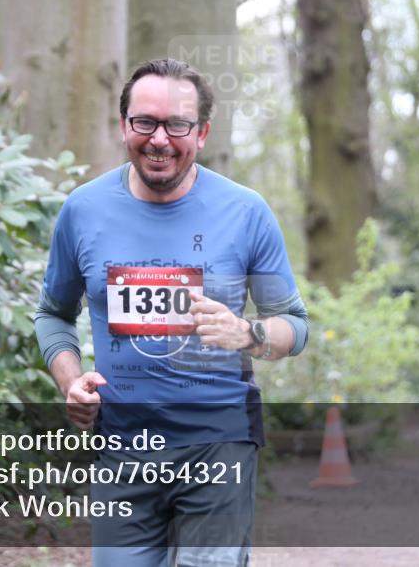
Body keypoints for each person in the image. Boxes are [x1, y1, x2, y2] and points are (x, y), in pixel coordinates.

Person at [34, 58, 309, 566]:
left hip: (218, 442)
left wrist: (247, 333)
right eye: (145, 122)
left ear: (201, 133)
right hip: (122, 446)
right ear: (124, 126)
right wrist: (69, 380)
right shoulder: (84, 210)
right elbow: (53, 313)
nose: (160, 139)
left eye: (177, 125)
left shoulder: (246, 213)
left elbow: (294, 324)